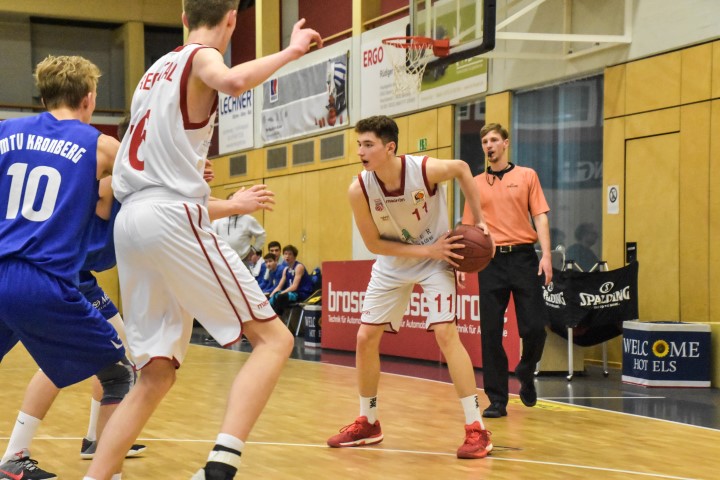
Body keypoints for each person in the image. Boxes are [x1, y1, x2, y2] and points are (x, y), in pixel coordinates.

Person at [84, 2, 322, 479]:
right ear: (231, 20)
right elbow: (231, 81)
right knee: (273, 340)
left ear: (183, 15)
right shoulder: (198, 57)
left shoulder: (151, 73)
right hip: (171, 217)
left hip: (132, 222)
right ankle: (221, 466)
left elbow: (155, 160)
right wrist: (293, 50)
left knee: (155, 373)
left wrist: (197, 179)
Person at [326, 115, 493, 459]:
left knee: (446, 334)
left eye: (368, 144)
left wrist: (478, 221)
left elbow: (462, 168)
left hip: (437, 259)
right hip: (394, 262)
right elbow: (374, 244)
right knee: (364, 338)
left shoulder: (423, 170)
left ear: (390, 148)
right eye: (358, 144)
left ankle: (477, 428)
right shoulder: (359, 188)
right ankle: (368, 421)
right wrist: (425, 250)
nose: (361, 151)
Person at [0, 55, 135, 480]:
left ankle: (15, 460)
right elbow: (157, 191)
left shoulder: (4, 133)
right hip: (42, 281)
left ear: (42, 96)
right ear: (89, 99)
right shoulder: (99, 145)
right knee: (118, 374)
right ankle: (105, 472)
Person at [459, 123, 552, 419]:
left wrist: (546, 255)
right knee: (490, 333)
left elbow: (540, 217)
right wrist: (462, 261)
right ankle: (497, 399)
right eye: (485, 140)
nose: (489, 145)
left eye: (494, 140)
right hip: (491, 261)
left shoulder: (527, 176)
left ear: (505, 144)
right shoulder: (473, 183)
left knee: (535, 326)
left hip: (524, 257)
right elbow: (468, 227)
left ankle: (525, 368)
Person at [211, 195, 266, 267]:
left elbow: (261, 235)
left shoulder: (249, 219)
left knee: (245, 278)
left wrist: (254, 249)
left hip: (243, 260)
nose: (233, 205)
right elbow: (210, 237)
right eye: (230, 202)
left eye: (235, 202)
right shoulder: (218, 220)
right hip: (222, 260)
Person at [268, 244, 314, 315]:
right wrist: (272, 295)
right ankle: (271, 319)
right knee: (271, 299)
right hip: (291, 293)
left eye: (290, 254)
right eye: (285, 254)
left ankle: (278, 319)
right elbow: (279, 286)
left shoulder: (299, 267)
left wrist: (282, 293)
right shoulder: (285, 269)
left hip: (302, 293)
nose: (287, 256)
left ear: (294, 256)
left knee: (281, 297)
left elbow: (294, 287)